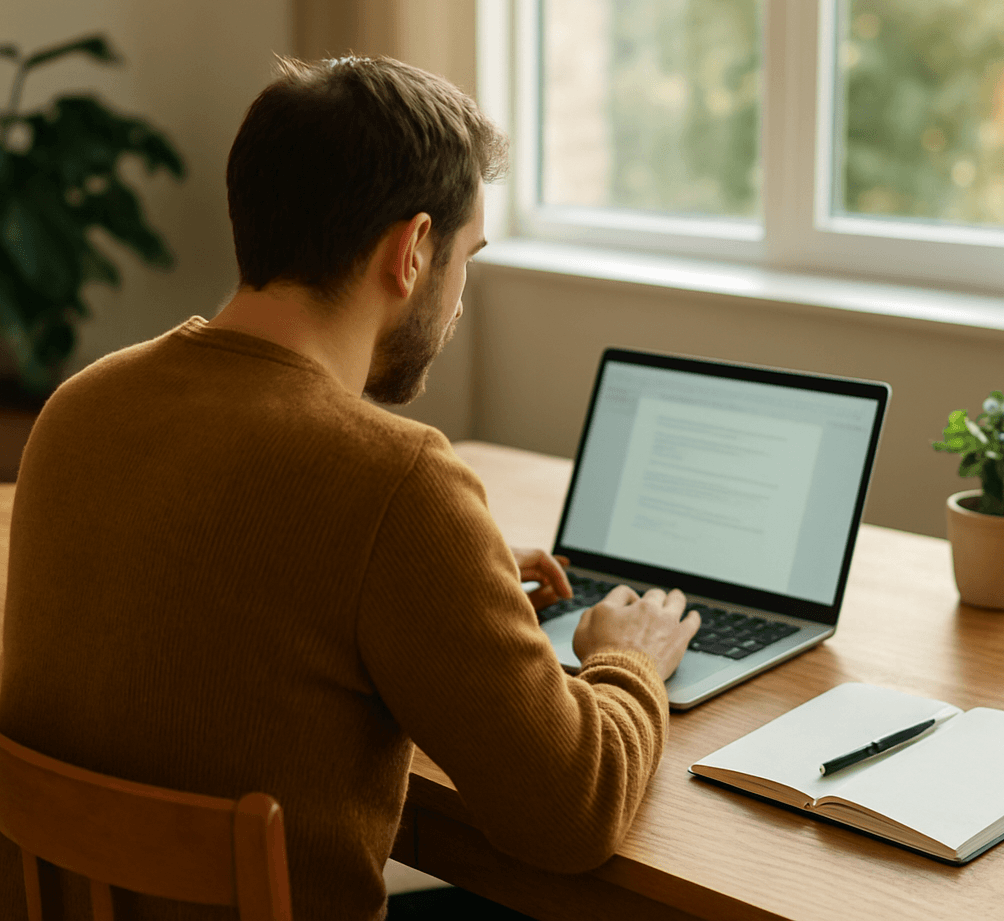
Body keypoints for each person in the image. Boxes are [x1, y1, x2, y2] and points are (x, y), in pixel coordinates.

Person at [0, 55, 701, 921]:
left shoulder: (79, 408)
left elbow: (223, 596)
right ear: (411, 251)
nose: (458, 298)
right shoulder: (397, 482)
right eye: (466, 256)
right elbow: (571, 813)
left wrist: (448, 578)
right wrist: (629, 658)